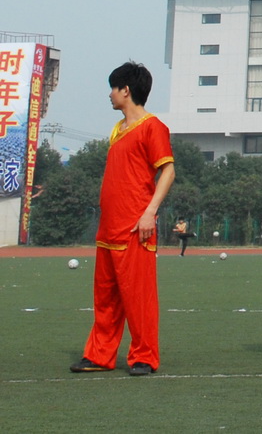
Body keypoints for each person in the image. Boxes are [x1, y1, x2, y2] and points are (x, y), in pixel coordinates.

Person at [70, 62, 175, 376]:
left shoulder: (153, 126)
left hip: (135, 227)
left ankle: (144, 356)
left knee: (138, 296)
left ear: (126, 90)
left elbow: (168, 170)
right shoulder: (118, 129)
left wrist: (149, 213)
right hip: (109, 227)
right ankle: (100, 355)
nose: (110, 95)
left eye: (113, 88)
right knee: (106, 297)